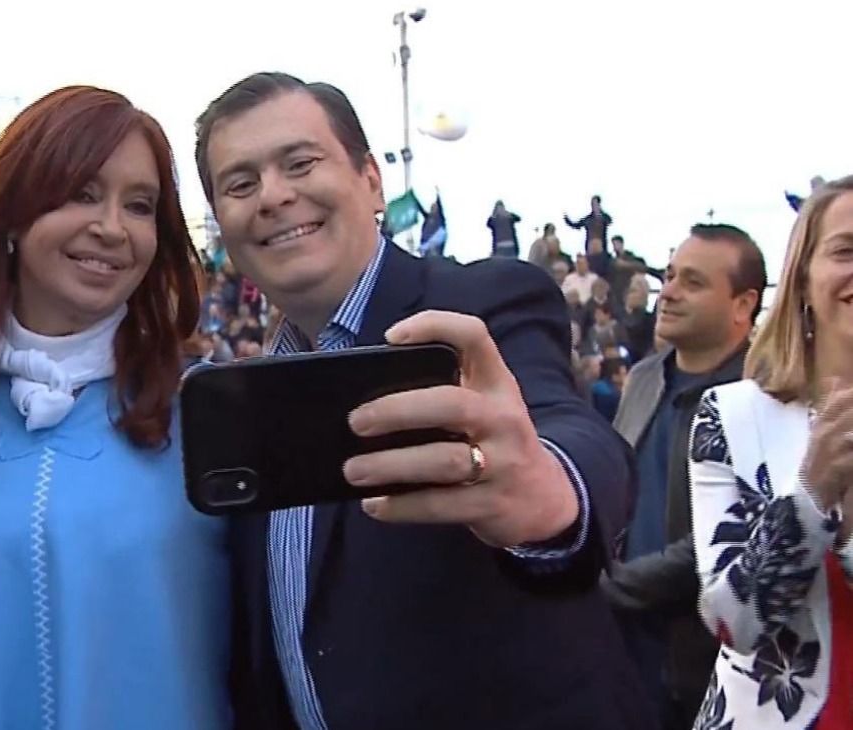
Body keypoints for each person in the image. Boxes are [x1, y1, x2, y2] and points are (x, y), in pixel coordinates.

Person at [195, 71, 653, 729]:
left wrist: (551, 492)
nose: (272, 196)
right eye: (240, 184)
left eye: (300, 163)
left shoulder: (481, 306)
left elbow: (567, 432)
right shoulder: (245, 400)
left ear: (371, 182)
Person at [0, 86, 229, 730]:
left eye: (139, 206)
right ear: (14, 215)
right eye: (82, 193)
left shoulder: (210, 415)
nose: (111, 227)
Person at [689, 176, 853, 729]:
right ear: (803, 279)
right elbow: (732, 622)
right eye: (845, 250)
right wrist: (812, 495)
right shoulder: (732, 417)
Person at [603, 224, 766, 728]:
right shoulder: (646, 377)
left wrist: (613, 585)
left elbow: (732, 539)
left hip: (705, 665)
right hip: (619, 647)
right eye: (669, 276)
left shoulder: (762, 398)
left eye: (692, 282)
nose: (668, 292)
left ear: (743, 304)